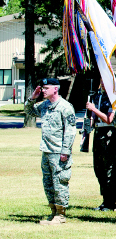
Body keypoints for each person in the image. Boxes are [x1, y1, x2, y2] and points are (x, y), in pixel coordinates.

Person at [25, 78, 77, 225]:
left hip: (59, 152)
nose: (43, 90)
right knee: (48, 183)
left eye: (46, 88)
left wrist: (65, 151)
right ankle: (53, 211)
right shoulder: (45, 105)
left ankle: (60, 215)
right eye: (42, 88)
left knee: (60, 182)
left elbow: (70, 131)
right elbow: (29, 111)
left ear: (55, 89)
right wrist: (32, 98)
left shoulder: (65, 107)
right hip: (47, 151)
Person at [86, 81, 116, 211]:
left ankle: (111, 202)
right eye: (101, 82)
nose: (103, 84)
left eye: (106, 82)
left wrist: (94, 109)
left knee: (109, 169)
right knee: (98, 168)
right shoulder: (98, 96)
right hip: (98, 133)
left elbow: (109, 119)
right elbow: (93, 118)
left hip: (109, 134)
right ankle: (105, 200)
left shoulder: (113, 98)